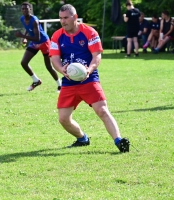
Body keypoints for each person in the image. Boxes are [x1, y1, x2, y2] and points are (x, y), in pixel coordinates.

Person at [49, 4, 130, 152]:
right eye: (61, 18)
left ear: (74, 17)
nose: (63, 21)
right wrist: (62, 70)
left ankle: (119, 141)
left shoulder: (89, 32)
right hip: (68, 82)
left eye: (66, 18)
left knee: (102, 111)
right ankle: (82, 138)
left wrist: (89, 70)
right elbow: (54, 58)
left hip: (89, 79)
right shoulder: (57, 35)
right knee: (63, 119)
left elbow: (96, 56)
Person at [15, 2, 61, 92]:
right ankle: (36, 81)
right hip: (34, 42)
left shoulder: (35, 20)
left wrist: (23, 36)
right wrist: (25, 37)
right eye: (22, 9)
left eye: (26, 9)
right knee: (24, 62)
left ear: (30, 9)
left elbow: (37, 37)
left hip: (44, 42)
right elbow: (28, 28)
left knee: (48, 66)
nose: (24, 10)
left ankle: (60, 85)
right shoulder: (22, 19)